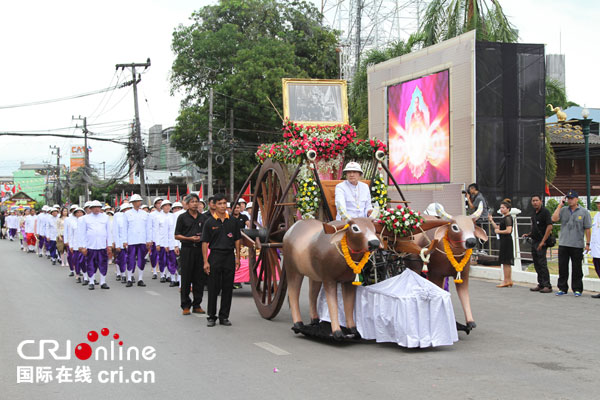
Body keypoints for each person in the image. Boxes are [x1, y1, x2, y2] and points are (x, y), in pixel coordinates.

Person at [202, 193, 241, 327]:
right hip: (215, 256)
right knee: (213, 287)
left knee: (227, 288)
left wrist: (238, 257)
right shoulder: (209, 222)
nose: (223, 206)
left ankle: (224, 316)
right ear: (214, 205)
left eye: (225, 203)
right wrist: (206, 262)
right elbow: (204, 242)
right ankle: (211, 316)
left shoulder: (233, 221)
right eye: (220, 204)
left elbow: (237, 239)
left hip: (229, 256)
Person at [551, 190, 592, 297]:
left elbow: (587, 229)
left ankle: (577, 289)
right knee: (562, 268)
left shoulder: (584, 212)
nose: (570, 200)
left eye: (572, 198)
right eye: (568, 198)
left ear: (577, 199)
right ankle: (562, 288)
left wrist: (588, 243)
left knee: (577, 269)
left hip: (577, 244)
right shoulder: (564, 210)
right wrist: (560, 205)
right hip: (564, 243)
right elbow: (554, 219)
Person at [175, 193, 208, 315]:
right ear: (187, 204)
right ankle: (185, 305)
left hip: (200, 250)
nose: (195, 204)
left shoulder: (203, 218)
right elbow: (176, 235)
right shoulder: (182, 218)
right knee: (186, 278)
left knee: (199, 278)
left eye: (197, 201)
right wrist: (190, 238)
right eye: (192, 202)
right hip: (187, 249)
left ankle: (197, 304)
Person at [78, 200, 113, 290]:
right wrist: (83, 246)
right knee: (90, 264)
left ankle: (103, 282)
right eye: (95, 207)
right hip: (90, 245)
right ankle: (91, 281)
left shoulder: (105, 218)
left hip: (102, 245)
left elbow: (109, 232)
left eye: (98, 207)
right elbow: (82, 233)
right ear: (91, 209)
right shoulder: (86, 218)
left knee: (103, 263)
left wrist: (109, 245)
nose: (97, 209)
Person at [523, 195, 553, 293]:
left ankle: (547, 285)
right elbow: (535, 227)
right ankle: (541, 284)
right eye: (533, 201)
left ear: (541, 201)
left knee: (542, 263)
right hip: (535, 241)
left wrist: (543, 241)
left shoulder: (545, 212)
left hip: (542, 241)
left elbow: (549, 227)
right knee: (536, 263)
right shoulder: (534, 214)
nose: (535, 202)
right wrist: (529, 234)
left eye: (537, 200)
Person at [122, 194, 152, 287]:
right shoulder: (127, 214)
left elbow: (148, 228)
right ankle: (130, 279)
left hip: (142, 240)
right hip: (131, 241)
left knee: (141, 260)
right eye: (136, 201)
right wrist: (124, 240)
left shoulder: (145, 214)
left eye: (139, 201)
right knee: (130, 259)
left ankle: (140, 279)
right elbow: (124, 228)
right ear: (132, 203)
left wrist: (149, 240)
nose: (138, 203)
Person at [488, 199, 514, 288]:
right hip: (504, 241)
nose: (501, 209)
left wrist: (499, 231)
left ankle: (506, 280)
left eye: (503, 208)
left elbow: (508, 230)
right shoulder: (504, 218)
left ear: (508, 208)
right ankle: (508, 280)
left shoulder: (508, 218)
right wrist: (491, 221)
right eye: (500, 208)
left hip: (506, 241)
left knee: (506, 261)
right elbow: (498, 227)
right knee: (505, 262)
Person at [149, 197, 163, 280]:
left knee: (163, 256)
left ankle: (163, 273)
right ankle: (154, 271)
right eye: (158, 203)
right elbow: (150, 227)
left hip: (163, 239)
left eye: (161, 202)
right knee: (154, 255)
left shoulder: (165, 214)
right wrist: (150, 239)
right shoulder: (151, 215)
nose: (160, 204)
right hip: (154, 238)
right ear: (155, 204)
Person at [590, 198, 600, 299]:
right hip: (596, 248)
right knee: (597, 268)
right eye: (597, 204)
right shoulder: (597, 215)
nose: (598, 205)